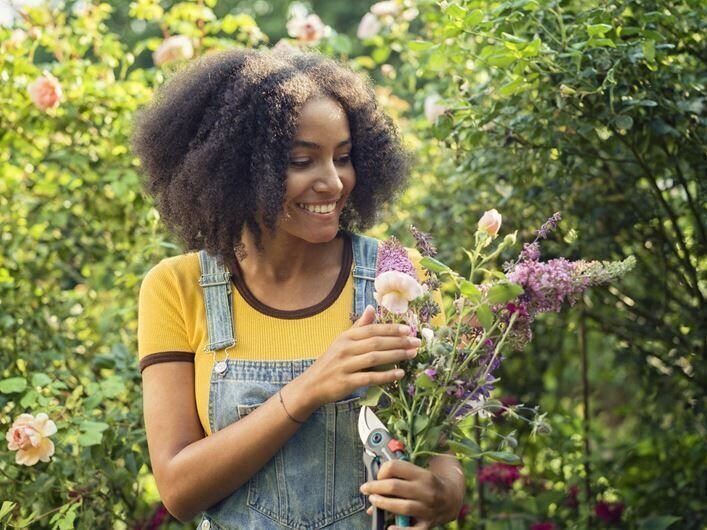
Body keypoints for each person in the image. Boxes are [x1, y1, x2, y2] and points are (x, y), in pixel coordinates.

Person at [132, 47, 466, 529]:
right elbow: (179, 491)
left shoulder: (398, 279)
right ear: (238, 170)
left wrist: (442, 493)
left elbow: (443, 455)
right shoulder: (177, 287)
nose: (332, 182)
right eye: (301, 161)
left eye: (344, 157)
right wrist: (310, 388)